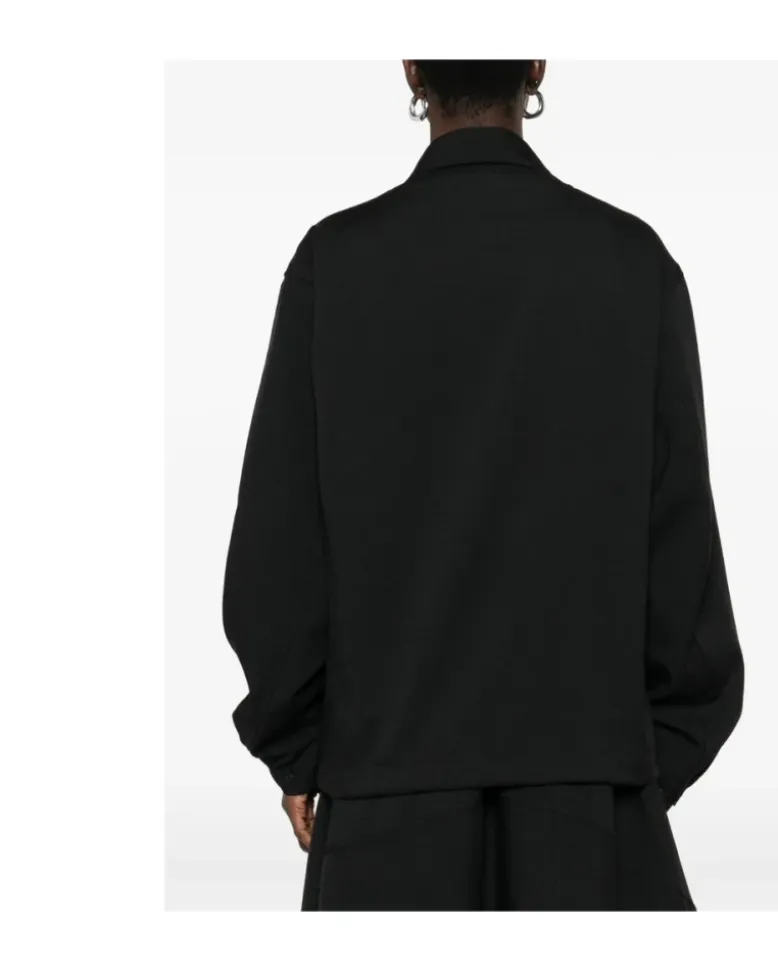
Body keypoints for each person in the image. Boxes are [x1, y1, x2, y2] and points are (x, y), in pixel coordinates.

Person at [222, 59, 744, 910]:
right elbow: (682, 558)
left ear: (412, 69)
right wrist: (632, 764)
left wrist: (301, 746)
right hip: (592, 813)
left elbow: (275, 553)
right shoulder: (630, 261)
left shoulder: (336, 264)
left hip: (385, 814)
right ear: (535, 65)